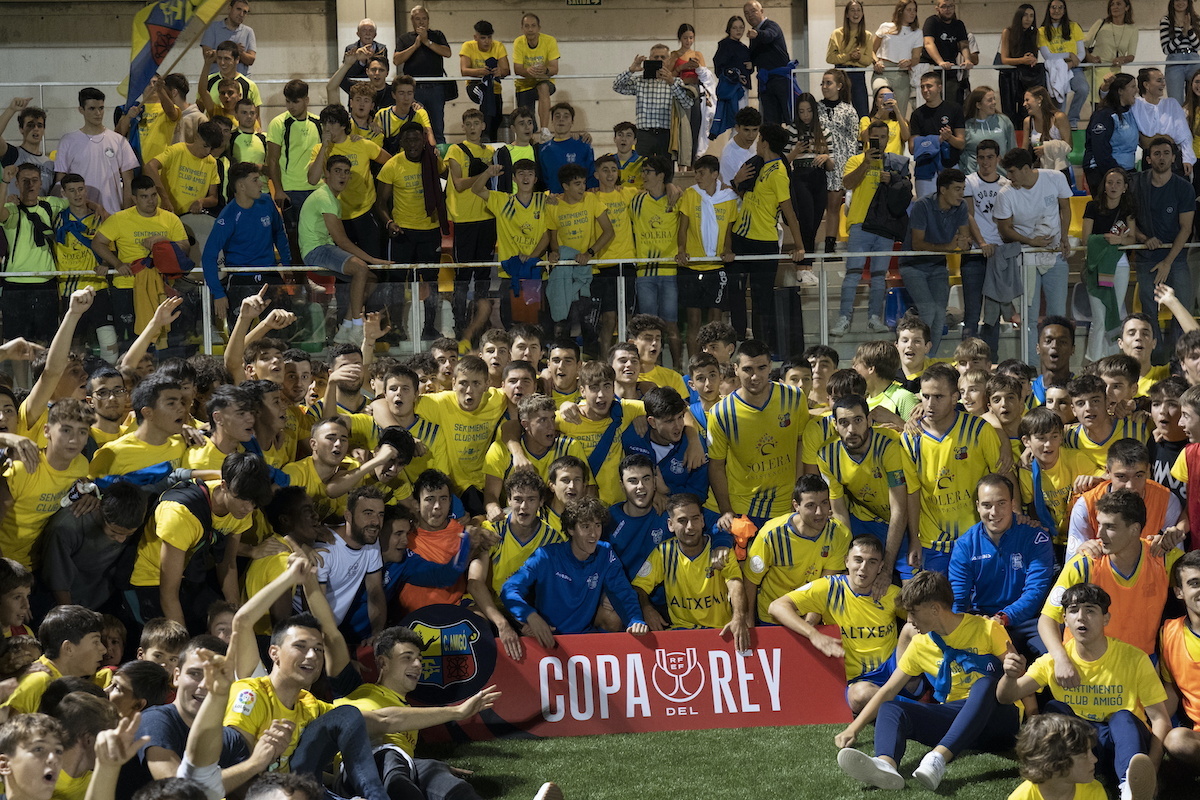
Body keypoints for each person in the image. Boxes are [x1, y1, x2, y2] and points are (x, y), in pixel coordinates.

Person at [834, 571, 1020, 792]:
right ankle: (885, 765)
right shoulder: (920, 643)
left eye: (912, 612)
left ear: (935, 609)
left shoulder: (987, 628)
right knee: (892, 707)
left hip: (999, 722)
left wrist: (1033, 716)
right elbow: (888, 690)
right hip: (958, 722)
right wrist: (853, 728)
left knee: (985, 685)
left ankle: (937, 759)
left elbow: (1017, 674)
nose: (909, 619)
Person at [1001, 583, 1166, 800]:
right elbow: (1006, 697)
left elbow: (1161, 719)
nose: (1081, 617)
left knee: (1123, 717)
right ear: (1064, 619)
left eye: (1090, 610)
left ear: (1106, 618)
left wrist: (1150, 770)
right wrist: (1010, 676)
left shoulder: (1134, 658)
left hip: (1123, 742)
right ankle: (1056, 775)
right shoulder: (1054, 660)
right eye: (1073, 610)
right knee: (1055, 709)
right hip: (1081, 750)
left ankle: (1130, 787)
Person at [769, 535, 907, 713]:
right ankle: (916, 707)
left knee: (914, 629)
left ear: (881, 567)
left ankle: (914, 698)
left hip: (894, 672)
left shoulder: (891, 593)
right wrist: (813, 634)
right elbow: (776, 607)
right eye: (858, 560)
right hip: (857, 680)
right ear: (846, 561)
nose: (863, 568)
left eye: (872, 562)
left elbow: (922, 620)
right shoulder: (829, 588)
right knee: (860, 696)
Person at [1044, 489, 1182, 657]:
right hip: (1088, 667)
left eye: (1110, 527)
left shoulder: (1163, 558)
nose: (1099, 534)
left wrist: (1176, 535)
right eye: (1100, 524)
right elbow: (1047, 620)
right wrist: (1061, 659)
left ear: (1134, 529)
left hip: (1140, 664)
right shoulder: (1085, 563)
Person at [903, 363, 1007, 574]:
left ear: (954, 397)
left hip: (978, 536)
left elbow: (1004, 478)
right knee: (938, 603)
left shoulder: (978, 429)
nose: (930, 403)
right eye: (925, 396)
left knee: (979, 604)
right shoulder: (909, 439)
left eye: (938, 397)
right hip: (933, 543)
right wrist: (914, 539)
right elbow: (912, 493)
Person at [502, 497, 649, 644]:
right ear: (571, 529)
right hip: (549, 637)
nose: (593, 533)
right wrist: (530, 616)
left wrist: (635, 620)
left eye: (597, 525)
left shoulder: (605, 552)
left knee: (614, 619)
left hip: (584, 637)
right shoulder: (546, 556)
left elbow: (623, 592)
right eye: (585, 527)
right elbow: (509, 588)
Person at [949, 473, 1054, 658]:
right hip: (983, 621)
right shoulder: (965, 545)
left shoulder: (1035, 537)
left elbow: (1035, 592)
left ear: (1013, 504)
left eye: (1001, 503)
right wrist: (968, 625)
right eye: (987, 505)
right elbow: (958, 600)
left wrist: (1003, 617)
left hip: (1029, 622)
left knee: (1051, 658)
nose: (994, 512)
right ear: (977, 506)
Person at [709, 339, 809, 530]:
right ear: (735, 368)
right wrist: (726, 510)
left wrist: (799, 497)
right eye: (747, 369)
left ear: (770, 367)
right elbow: (716, 466)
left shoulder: (794, 397)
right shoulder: (721, 413)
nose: (755, 376)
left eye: (761, 368)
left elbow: (801, 445)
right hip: (744, 509)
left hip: (787, 506)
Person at [727, 123, 806, 356]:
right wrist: (736, 180)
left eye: (759, 139)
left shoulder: (779, 172)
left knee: (762, 300)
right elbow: (746, 196)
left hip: (763, 242)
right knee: (736, 291)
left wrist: (800, 247)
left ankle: (761, 349)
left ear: (765, 143)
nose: (757, 143)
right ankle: (739, 340)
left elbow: (789, 211)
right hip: (741, 237)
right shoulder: (760, 166)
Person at [298, 154, 389, 343]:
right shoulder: (325, 197)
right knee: (361, 268)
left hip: (325, 247)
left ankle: (345, 328)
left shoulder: (333, 199)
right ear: (327, 174)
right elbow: (341, 240)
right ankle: (357, 325)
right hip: (316, 250)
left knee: (370, 278)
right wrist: (372, 260)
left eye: (346, 172)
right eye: (338, 171)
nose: (343, 176)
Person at [90, 176, 190, 345]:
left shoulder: (170, 218)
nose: (150, 201)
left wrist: (163, 240)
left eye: (153, 195)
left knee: (162, 337)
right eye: (144, 197)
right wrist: (117, 264)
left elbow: (185, 247)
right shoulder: (119, 219)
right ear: (134, 198)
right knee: (128, 339)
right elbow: (97, 243)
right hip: (126, 285)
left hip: (161, 285)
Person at [830, 119, 907, 338]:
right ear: (867, 138)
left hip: (885, 227)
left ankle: (875, 318)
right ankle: (844, 318)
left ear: (888, 139)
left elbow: (904, 193)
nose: (879, 142)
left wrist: (891, 179)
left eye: (883, 137)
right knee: (853, 273)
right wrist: (866, 164)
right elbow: (847, 184)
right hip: (860, 224)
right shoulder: (855, 160)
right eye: (875, 137)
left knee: (879, 274)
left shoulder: (893, 163)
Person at [994, 148, 1073, 359]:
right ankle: (1029, 365)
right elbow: (1004, 229)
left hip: (1055, 254)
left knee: (1057, 316)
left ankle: (1057, 363)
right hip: (1024, 258)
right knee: (1028, 317)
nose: (1009, 177)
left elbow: (1065, 208)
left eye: (1012, 172)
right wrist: (1031, 241)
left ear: (1027, 168)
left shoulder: (1054, 178)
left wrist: (1064, 236)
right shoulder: (1006, 194)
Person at [376, 121, 446, 342]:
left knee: (432, 281)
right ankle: (395, 328)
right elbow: (380, 203)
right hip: (403, 232)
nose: (413, 144)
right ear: (402, 142)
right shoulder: (392, 166)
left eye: (417, 139)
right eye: (408, 139)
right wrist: (389, 223)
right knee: (397, 281)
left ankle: (430, 328)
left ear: (424, 140)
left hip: (430, 230)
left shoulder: (434, 161)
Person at [1132, 135, 1196, 355]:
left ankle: (1182, 364)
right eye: (1157, 154)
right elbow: (1128, 221)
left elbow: (1186, 228)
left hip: (1176, 258)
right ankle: (1156, 362)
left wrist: (1168, 261)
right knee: (1149, 313)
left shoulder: (1183, 188)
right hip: (1146, 258)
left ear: (1174, 158)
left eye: (1166, 153)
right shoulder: (1136, 184)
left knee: (1182, 310)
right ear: (1148, 159)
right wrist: (1142, 238)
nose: (1161, 158)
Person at [899, 168, 970, 356]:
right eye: (957, 189)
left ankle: (928, 360)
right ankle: (914, 357)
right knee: (929, 310)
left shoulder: (962, 207)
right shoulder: (922, 206)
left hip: (938, 266)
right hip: (913, 266)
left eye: (963, 189)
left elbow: (964, 239)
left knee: (940, 315)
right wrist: (949, 246)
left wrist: (965, 243)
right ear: (943, 190)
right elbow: (917, 244)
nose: (961, 194)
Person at [0, 165, 71, 345]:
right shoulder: (11, 208)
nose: (29, 185)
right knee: (16, 343)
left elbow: (77, 201)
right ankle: (21, 376)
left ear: (40, 183)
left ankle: (41, 374)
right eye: (24, 181)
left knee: (45, 341)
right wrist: (4, 182)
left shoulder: (50, 204)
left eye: (34, 180)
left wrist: (96, 206)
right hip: (15, 284)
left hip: (46, 283)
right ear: (17, 184)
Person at [4, 605, 109, 713]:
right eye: (95, 642)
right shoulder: (38, 681)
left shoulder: (64, 682)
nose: (103, 650)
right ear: (68, 648)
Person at [54, 88, 138, 216]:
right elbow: (60, 181)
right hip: (79, 217)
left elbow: (128, 181)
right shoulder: (68, 141)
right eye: (92, 109)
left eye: (101, 108)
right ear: (81, 110)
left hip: (112, 214)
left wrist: (125, 215)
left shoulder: (119, 140)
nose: (98, 113)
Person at [1082, 168, 1137, 361]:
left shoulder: (1127, 209)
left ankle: (1113, 362)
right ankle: (1094, 363)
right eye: (1110, 182)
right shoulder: (1092, 207)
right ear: (1104, 186)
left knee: (1113, 312)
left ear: (1125, 188)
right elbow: (1085, 238)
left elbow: (1132, 239)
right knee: (1099, 318)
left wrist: (1119, 241)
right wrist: (1107, 239)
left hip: (1119, 265)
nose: (1113, 186)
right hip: (1096, 267)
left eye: (1118, 183)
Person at [613, 44, 695, 160]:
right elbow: (617, 86)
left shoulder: (676, 81)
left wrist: (672, 83)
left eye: (663, 57)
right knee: (641, 170)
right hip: (644, 134)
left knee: (666, 172)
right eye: (655, 58)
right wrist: (631, 70)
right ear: (649, 60)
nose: (659, 60)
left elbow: (688, 103)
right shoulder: (640, 81)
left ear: (668, 60)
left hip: (667, 134)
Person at [1009, 714, 1110, 800]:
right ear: (1053, 763)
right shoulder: (1023, 797)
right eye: (1084, 755)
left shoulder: (1093, 791)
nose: (1094, 759)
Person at [789, 94, 836, 269]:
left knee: (816, 221)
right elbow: (783, 161)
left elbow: (832, 166)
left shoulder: (824, 130)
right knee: (806, 220)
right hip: (801, 176)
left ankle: (806, 261)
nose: (805, 115)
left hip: (819, 177)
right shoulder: (793, 130)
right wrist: (796, 151)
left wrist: (826, 157)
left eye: (809, 111)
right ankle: (805, 263)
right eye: (801, 111)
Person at [394, 5, 453, 144]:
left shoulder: (437, 35)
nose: (421, 22)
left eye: (424, 18)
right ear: (412, 20)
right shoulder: (404, 38)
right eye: (417, 19)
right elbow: (397, 60)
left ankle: (439, 162)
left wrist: (427, 41)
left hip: (436, 88)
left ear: (428, 20)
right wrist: (415, 46)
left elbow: (447, 53)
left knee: (437, 127)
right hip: (414, 90)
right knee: (415, 126)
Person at [816, 69, 859, 254]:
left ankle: (829, 243)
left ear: (839, 86)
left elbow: (852, 140)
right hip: (818, 162)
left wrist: (849, 167)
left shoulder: (848, 110)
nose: (825, 87)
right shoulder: (816, 107)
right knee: (816, 206)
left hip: (839, 164)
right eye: (823, 83)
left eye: (829, 83)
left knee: (833, 206)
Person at [909, 71, 965, 197]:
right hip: (926, 170)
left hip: (949, 166)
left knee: (953, 208)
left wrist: (949, 138)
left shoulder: (954, 109)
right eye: (922, 86)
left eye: (929, 86)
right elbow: (912, 148)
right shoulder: (917, 114)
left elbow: (961, 143)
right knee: (926, 209)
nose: (925, 90)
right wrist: (937, 140)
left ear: (940, 87)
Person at [1083, 73, 1140, 195]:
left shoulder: (1130, 111)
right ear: (1120, 91)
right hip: (1103, 173)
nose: (1137, 90)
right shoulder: (1104, 115)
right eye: (1133, 87)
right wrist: (1117, 174)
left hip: (1125, 171)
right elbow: (1100, 150)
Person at [1133, 67, 1195, 173]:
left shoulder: (1171, 104)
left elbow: (1184, 134)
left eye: (1163, 80)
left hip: (1172, 157)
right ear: (1146, 85)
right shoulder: (1136, 105)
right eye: (1159, 80)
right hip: (1150, 158)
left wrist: (1188, 158)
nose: (1163, 84)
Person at [1038, 0, 1089, 129]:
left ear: (1065, 10)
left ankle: (1072, 119)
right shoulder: (1042, 31)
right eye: (1053, 7)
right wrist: (1068, 54)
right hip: (1054, 69)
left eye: (1060, 8)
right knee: (1060, 98)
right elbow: (1047, 56)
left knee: (1083, 89)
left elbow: (1081, 53)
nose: (1057, 10)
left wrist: (1071, 63)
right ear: (1049, 10)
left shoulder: (1074, 27)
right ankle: (1060, 123)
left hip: (1074, 67)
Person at [743, 1, 793, 125]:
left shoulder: (771, 25)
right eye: (746, 13)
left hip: (782, 81)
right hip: (765, 82)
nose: (750, 15)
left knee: (790, 118)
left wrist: (758, 34)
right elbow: (753, 56)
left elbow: (769, 36)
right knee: (770, 122)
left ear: (762, 11)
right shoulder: (754, 35)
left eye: (753, 11)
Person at [460, 20, 509, 143]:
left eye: (489, 37)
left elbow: (506, 70)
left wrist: (499, 72)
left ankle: (491, 142)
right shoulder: (468, 46)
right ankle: (484, 134)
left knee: (497, 118)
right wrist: (480, 72)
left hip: (494, 87)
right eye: (483, 38)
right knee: (485, 94)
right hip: (474, 85)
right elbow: (464, 70)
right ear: (475, 37)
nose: (486, 41)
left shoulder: (498, 46)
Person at [874, 0, 923, 118]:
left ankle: (899, 135)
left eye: (914, 10)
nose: (912, 13)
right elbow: (871, 50)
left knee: (899, 111)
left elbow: (916, 57)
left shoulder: (917, 32)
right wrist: (876, 61)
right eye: (909, 10)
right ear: (901, 11)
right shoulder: (885, 27)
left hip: (902, 73)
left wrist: (909, 61)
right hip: (883, 71)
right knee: (884, 100)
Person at [513, 13, 560, 133]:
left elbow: (554, 69)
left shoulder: (549, 41)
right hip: (524, 85)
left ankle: (545, 130)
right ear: (522, 28)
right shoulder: (518, 42)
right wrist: (528, 72)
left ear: (539, 28)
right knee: (527, 122)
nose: (530, 29)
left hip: (543, 81)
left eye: (533, 26)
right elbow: (517, 69)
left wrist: (545, 70)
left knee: (543, 86)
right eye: (527, 26)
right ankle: (530, 142)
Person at [999, 5, 1044, 129]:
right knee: (1009, 112)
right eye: (1025, 15)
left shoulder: (1035, 33)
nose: (1028, 19)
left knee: (1027, 110)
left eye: (1031, 16)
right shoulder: (1008, 32)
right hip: (1009, 76)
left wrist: (1031, 59)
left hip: (1028, 76)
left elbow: (1036, 56)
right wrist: (1022, 60)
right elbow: (1004, 59)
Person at [828, 1, 875, 117]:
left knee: (862, 112)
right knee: (840, 112)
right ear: (847, 14)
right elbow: (830, 58)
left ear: (862, 14)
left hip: (858, 75)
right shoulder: (837, 33)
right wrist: (848, 56)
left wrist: (859, 58)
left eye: (859, 10)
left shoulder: (867, 35)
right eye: (853, 10)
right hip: (841, 74)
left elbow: (868, 60)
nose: (856, 13)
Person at [921, 0, 972, 105]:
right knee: (932, 100)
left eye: (950, 6)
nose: (947, 9)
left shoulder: (958, 24)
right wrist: (940, 62)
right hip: (932, 68)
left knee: (951, 100)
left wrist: (967, 60)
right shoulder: (932, 21)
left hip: (950, 69)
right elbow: (928, 43)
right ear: (937, 8)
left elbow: (964, 45)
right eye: (944, 6)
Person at [710, 15, 753, 140]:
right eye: (735, 28)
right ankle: (735, 153)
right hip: (733, 90)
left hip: (742, 89)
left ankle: (739, 152)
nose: (738, 31)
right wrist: (734, 75)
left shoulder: (743, 47)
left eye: (741, 28)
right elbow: (719, 67)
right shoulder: (725, 45)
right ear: (729, 29)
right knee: (738, 123)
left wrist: (751, 66)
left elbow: (748, 66)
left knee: (740, 123)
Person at [0, 98, 52, 199]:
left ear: (43, 130)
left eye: (39, 125)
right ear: (21, 129)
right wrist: (11, 109)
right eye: (30, 125)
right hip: (15, 212)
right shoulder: (13, 154)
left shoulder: (50, 164)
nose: (35, 128)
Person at [961, 86, 1015, 173]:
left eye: (994, 99)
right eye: (990, 100)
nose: (994, 102)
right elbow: (962, 154)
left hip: (1001, 177)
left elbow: (1012, 150)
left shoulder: (1004, 121)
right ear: (978, 105)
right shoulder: (967, 126)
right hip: (974, 179)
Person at [200, 0, 255, 75]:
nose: (241, 14)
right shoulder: (213, 27)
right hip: (217, 80)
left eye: (245, 12)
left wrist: (240, 53)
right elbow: (207, 55)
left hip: (240, 81)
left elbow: (251, 60)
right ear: (229, 8)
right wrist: (234, 51)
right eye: (238, 9)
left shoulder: (248, 31)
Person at [1162, 0, 1200, 103]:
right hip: (1174, 59)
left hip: (1193, 58)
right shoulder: (1166, 20)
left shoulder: (1196, 20)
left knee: (1197, 97)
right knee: (1175, 100)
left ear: (1188, 2)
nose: (1180, 3)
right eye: (1177, 0)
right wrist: (1183, 34)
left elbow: (1197, 46)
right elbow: (1166, 49)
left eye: (1183, 0)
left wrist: (1189, 30)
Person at [338, 19, 389, 96]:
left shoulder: (382, 49)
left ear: (375, 34)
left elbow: (384, 70)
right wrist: (361, 61)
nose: (367, 33)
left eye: (371, 31)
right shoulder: (351, 49)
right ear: (358, 34)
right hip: (356, 87)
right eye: (364, 30)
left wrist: (371, 60)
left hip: (377, 88)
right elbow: (348, 73)